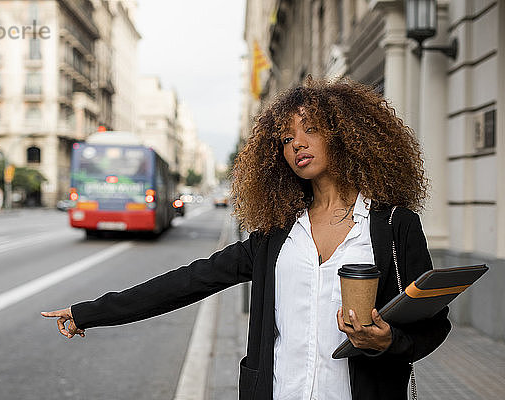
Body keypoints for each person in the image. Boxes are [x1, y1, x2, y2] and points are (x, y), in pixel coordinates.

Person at [41, 77, 451, 400]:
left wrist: (388, 340)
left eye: (310, 130)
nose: (297, 145)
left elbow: (432, 326)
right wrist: (89, 313)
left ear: (345, 134)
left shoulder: (394, 226)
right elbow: (189, 282)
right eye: (286, 139)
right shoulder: (277, 235)